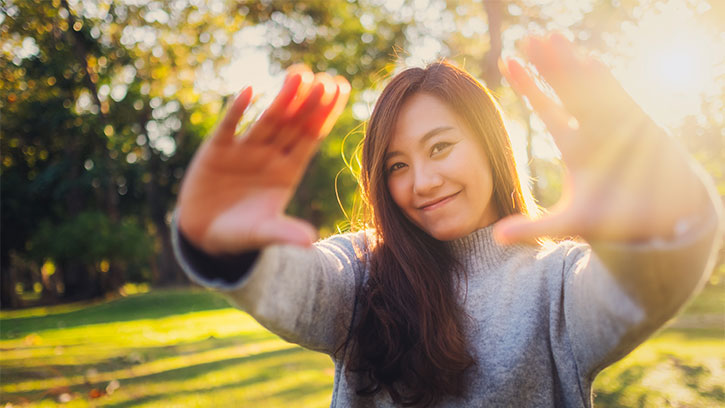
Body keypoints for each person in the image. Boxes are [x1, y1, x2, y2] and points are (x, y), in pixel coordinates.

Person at [172, 33, 722, 407]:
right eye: (397, 165)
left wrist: (666, 209)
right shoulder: (362, 272)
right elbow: (303, 290)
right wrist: (223, 244)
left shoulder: (558, 283)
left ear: (490, 145)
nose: (422, 182)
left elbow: (646, 284)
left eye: (440, 148)